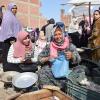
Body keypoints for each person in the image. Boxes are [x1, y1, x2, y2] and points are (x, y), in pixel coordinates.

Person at [37, 25, 81, 90]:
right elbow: (39, 59)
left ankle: (62, 88)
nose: (58, 37)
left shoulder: (69, 46)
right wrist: (48, 58)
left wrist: (72, 56)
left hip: (67, 73)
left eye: (60, 34)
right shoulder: (49, 46)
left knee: (80, 71)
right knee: (42, 72)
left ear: (63, 34)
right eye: (55, 35)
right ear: (53, 36)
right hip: (53, 72)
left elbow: (79, 59)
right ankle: (53, 89)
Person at [0, 3, 22, 69]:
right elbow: (7, 26)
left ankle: (10, 66)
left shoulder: (13, 17)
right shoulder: (8, 15)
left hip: (13, 38)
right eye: (13, 8)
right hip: (8, 39)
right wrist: (11, 38)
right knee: (7, 53)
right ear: (10, 8)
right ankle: (6, 67)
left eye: (16, 8)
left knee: (11, 54)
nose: (15, 10)